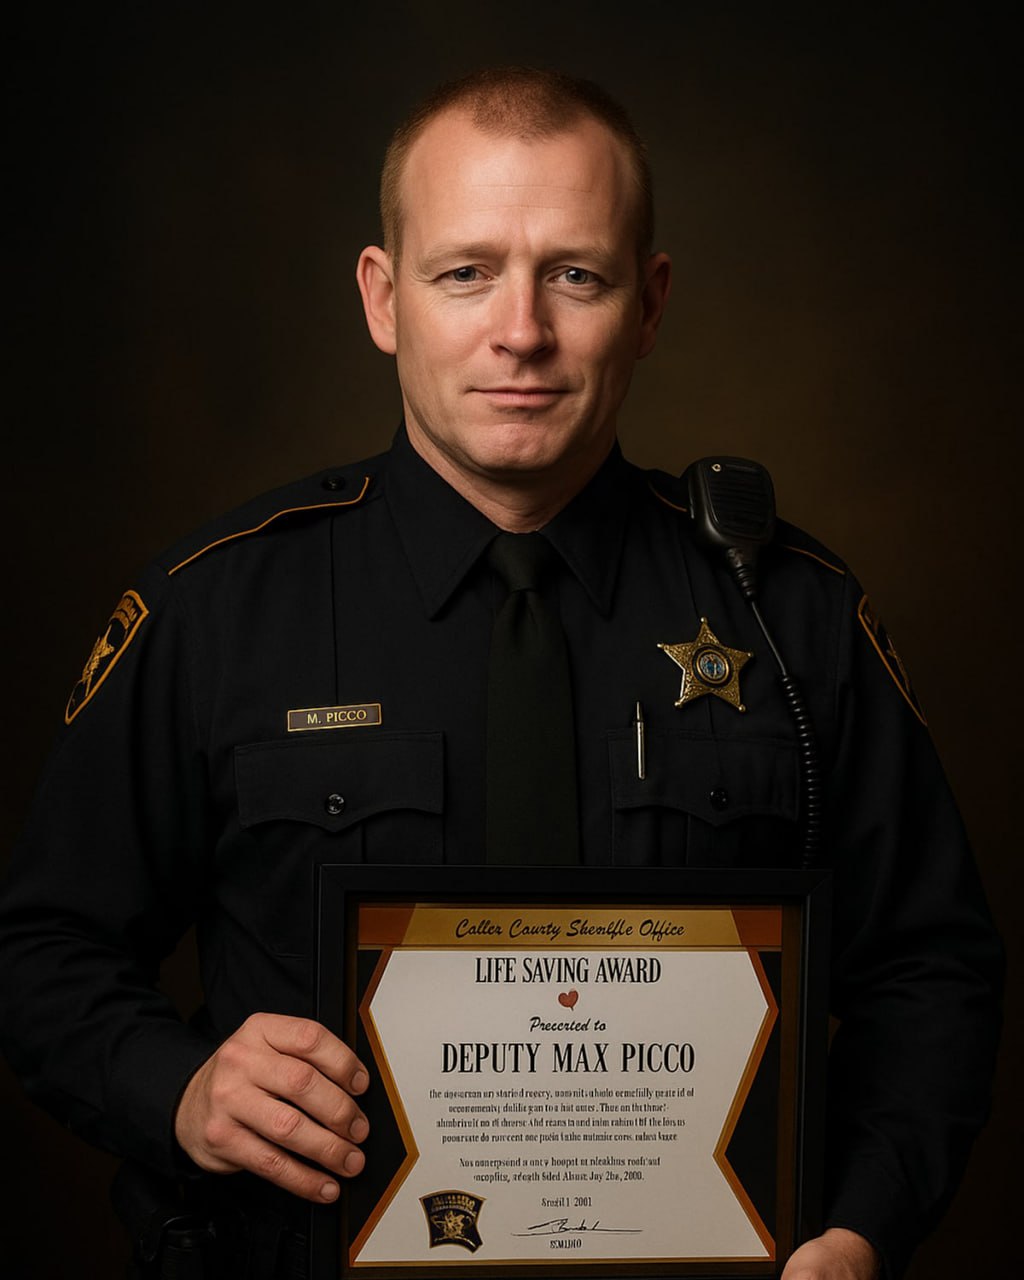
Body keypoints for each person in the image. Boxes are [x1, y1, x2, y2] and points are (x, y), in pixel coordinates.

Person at [0, 68, 1001, 1280]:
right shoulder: (216, 608)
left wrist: (856, 1223)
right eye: (464, 270)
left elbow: (927, 969)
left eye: (574, 273)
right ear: (383, 298)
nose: (519, 329)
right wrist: (181, 1089)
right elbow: (45, 950)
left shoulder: (790, 610)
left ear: (649, 301)